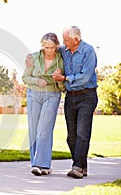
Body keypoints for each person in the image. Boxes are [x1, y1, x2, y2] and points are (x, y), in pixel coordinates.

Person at [52, 26, 98, 179]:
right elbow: (50, 50)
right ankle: (82, 165)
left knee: (82, 133)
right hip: (71, 97)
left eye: (66, 40)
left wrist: (64, 78)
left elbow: (84, 78)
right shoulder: (64, 50)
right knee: (71, 136)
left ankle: (77, 167)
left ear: (76, 40)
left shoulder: (88, 51)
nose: (63, 42)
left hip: (87, 96)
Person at [22, 33, 65, 176]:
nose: (49, 50)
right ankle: (40, 164)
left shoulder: (61, 60)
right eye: (46, 47)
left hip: (52, 95)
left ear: (56, 46)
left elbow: (63, 86)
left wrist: (58, 79)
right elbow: (25, 78)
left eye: (52, 47)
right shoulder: (33, 58)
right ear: (42, 46)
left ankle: (40, 164)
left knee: (44, 129)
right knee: (34, 130)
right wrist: (37, 81)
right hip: (33, 94)